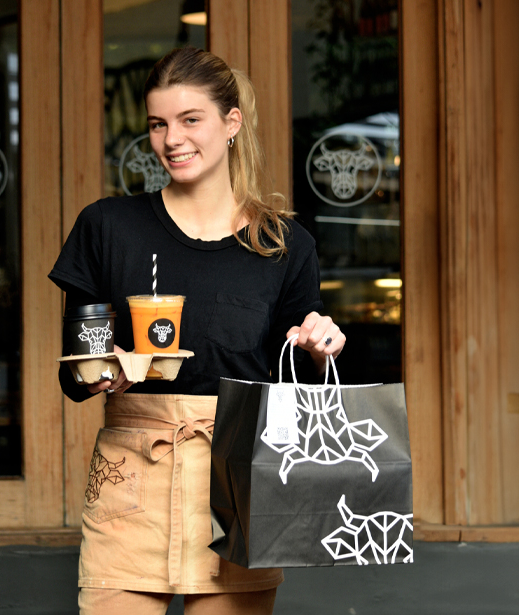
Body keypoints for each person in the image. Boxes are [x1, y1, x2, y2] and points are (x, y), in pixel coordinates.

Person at [49, 46, 346, 615]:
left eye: (190, 120)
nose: (171, 139)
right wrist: (104, 371)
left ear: (231, 123)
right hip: (129, 484)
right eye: (159, 123)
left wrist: (320, 348)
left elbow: (305, 392)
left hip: (238, 483)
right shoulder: (107, 227)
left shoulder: (283, 244)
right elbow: (75, 375)